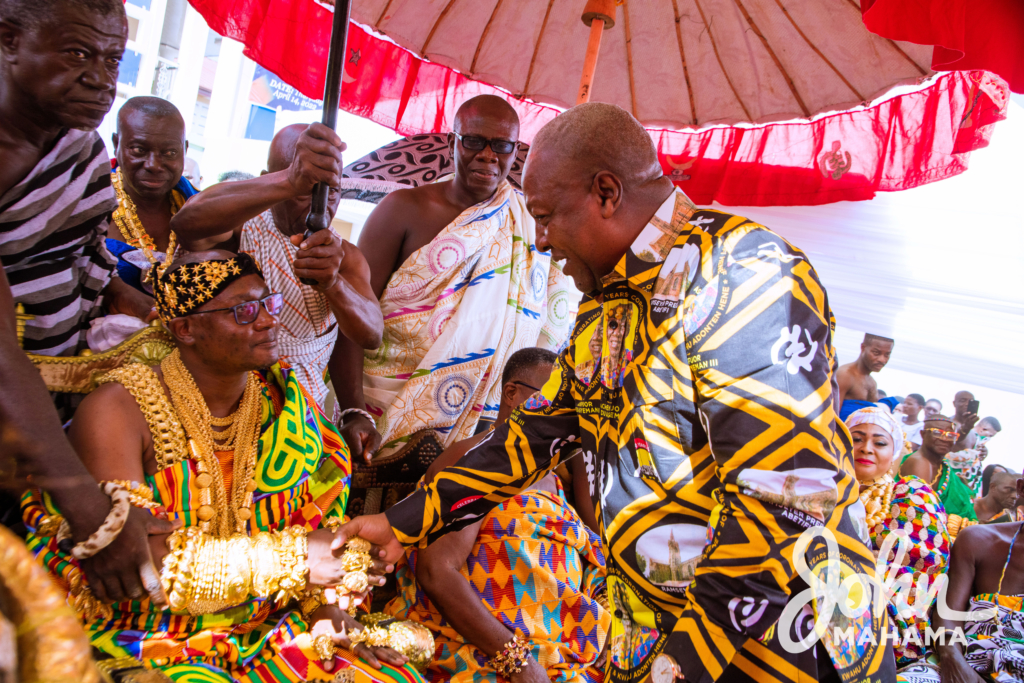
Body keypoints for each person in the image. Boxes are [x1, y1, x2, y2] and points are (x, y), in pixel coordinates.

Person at [336, 102, 891, 682]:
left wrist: (678, 667)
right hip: (663, 632)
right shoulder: (610, 302)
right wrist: (403, 524)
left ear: (606, 192)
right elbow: (532, 435)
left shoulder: (739, 271)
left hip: (777, 644)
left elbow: (783, 499)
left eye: (546, 217)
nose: (542, 242)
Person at [22, 251, 423, 682]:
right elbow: (134, 562)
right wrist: (295, 560)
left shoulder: (285, 402)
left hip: (263, 620)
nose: (269, 321)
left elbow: (318, 517)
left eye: (269, 304)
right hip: (140, 631)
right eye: (244, 311)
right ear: (186, 329)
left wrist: (321, 607)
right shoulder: (118, 410)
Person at [0, 0, 178, 609]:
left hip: (48, 409)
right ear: (8, 41)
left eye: (112, 58)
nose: (101, 78)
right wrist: (94, 515)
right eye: (77, 54)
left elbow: (85, 260)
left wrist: (156, 319)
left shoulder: (76, 144)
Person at [331, 95, 578, 486]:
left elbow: (550, 325)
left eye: (501, 145)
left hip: (482, 436)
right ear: (453, 142)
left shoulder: (531, 225)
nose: (487, 156)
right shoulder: (402, 209)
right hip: (382, 416)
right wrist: (352, 410)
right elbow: (351, 317)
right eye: (474, 141)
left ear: (515, 152)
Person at [387, 347, 610, 683]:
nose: (562, 413)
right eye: (550, 398)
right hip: (499, 654)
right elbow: (437, 570)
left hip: (565, 649)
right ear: (511, 392)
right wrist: (519, 663)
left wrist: (579, 439)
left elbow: (598, 544)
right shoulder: (470, 462)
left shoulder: (556, 480)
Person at [171, 123, 383, 410]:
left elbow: (370, 335)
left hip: (305, 423)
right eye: (302, 191)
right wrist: (290, 181)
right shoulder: (241, 229)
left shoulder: (345, 256)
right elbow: (186, 224)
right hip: (228, 408)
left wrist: (333, 284)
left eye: (330, 192)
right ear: (271, 179)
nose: (316, 209)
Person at [846, 406, 949, 668]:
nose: (866, 448)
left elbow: (917, 572)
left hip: (882, 616)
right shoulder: (818, 486)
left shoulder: (911, 496)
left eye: (879, 442)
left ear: (894, 454)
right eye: (856, 438)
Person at [896, 480, 1024, 683]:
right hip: (965, 662)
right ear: (1022, 489)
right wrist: (954, 662)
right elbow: (947, 612)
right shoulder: (979, 540)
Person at [107, 96, 197, 293]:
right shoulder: (90, 202)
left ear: (185, 149)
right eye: (139, 150)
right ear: (116, 143)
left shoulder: (199, 206)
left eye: (170, 153)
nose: (153, 165)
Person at [901, 416, 978, 533]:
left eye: (951, 436)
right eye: (937, 433)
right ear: (922, 434)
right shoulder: (919, 462)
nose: (945, 439)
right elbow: (922, 516)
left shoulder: (942, 464)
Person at [836, 332, 894, 420]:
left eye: (887, 355)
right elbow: (830, 418)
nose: (882, 359)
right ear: (863, 348)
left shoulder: (872, 382)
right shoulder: (845, 374)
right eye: (876, 353)